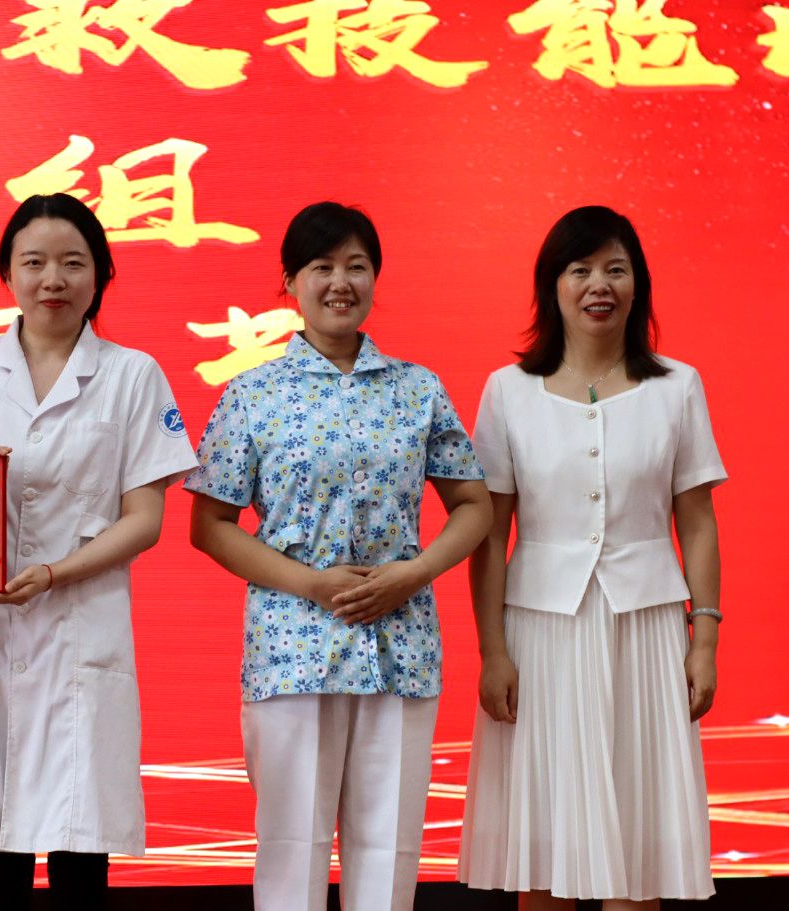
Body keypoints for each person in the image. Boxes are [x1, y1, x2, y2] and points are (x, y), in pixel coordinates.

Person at [187, 202, 491, 911]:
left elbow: (475, 506)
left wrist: (415, 573)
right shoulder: (252, 393)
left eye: (356, 266)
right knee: (291, 847)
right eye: (321, 267)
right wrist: (312, 585)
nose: (340, 282)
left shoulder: (418, 388)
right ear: (291, 282)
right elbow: (210, 525)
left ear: (375, 278)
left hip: (400, 644)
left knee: (388, 851)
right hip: (292, 647)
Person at [0, 193, 199, 909]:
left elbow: (144, 520)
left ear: (100, 273)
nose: (53, 280)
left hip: (81, 625)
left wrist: (53, 573)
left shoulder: (132, 374)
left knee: (79, 844)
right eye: (33, 262)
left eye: (73, 262)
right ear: (6, 272)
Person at [458, 206, 724, 909]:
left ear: (638, 285)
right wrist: (492, 650)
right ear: (553, 286)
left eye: (615, 269)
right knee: (546, 845)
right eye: (580, 270)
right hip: (540, 631)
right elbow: (490, 534)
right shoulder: (508, 391)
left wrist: (704, 639)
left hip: (646, 629)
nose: (598, 285)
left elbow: (697, 522)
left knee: (638, 847)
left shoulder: (678, 386)